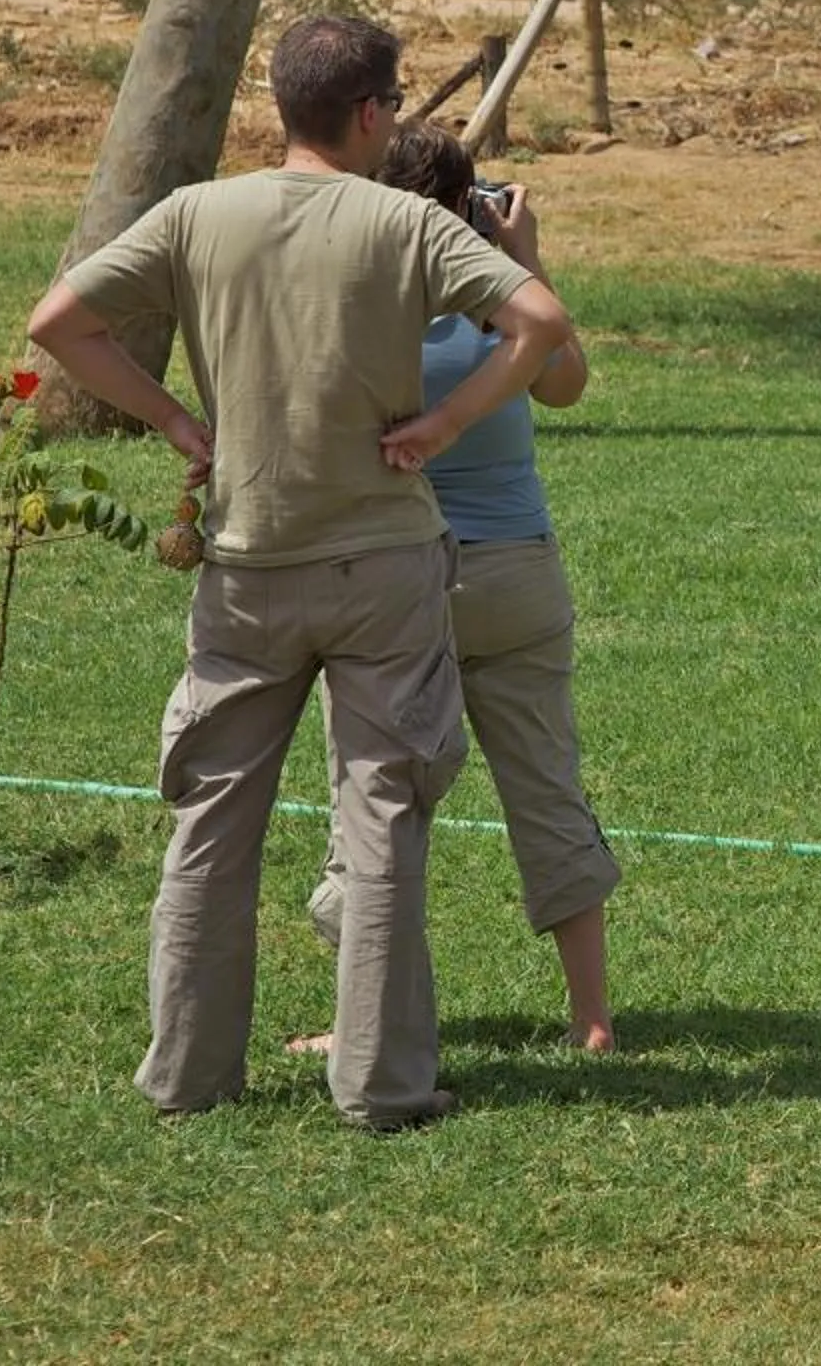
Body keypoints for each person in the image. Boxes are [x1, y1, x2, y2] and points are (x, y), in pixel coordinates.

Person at [28, 14, 571, 1132]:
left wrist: (176, 416)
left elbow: (59, 321)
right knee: (382, 817)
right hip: (383, 566)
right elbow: (539, 320)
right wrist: (444, 419)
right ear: (372, 113)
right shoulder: (401, 222)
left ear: (285, 106)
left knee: (212, 820)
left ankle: (186, 1073)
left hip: (243, 566)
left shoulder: (195, 213)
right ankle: (381, 1084)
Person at [290, 122, 618, 1053]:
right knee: (548, 784)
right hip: (518, 573)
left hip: (396, 579)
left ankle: (364, 1020)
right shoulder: (504, 309)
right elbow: (565, 385)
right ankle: (592, 1019)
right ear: (467, 205)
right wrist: (526, 260)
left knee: (373, 795)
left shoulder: (361, 307)